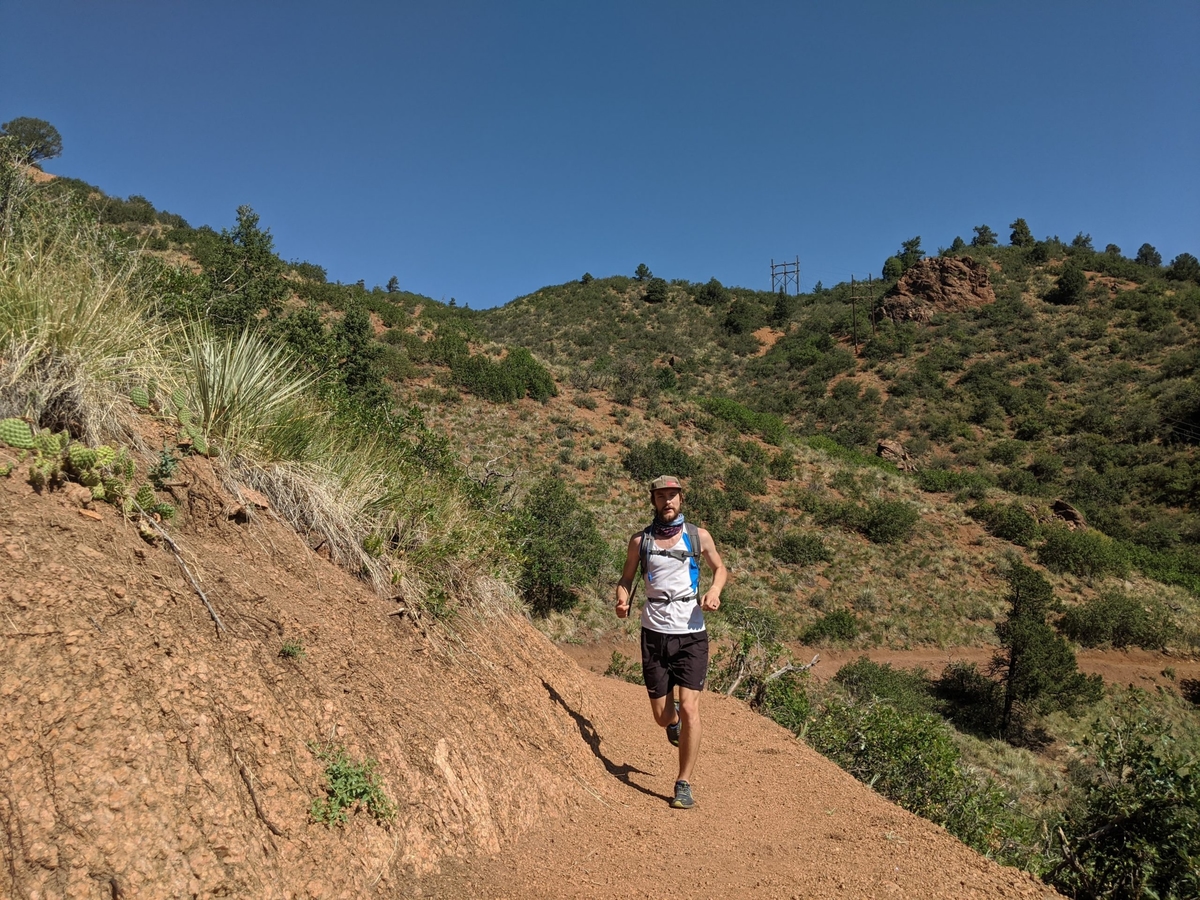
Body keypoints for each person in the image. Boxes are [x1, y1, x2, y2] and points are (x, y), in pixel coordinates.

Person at [615, 474, 727, 809]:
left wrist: (714, 590)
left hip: (691, 632)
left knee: (691, 707)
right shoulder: (640, 541)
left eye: (673, 495)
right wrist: (622, 599)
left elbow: (720, 568)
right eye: (662, 496)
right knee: (662, 717)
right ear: (654, 501)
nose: (668, 501)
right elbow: (626, 577)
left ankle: (683, 782)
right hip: (654, 633)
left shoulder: (698, 536)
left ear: (681, 499)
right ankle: (673, 721)